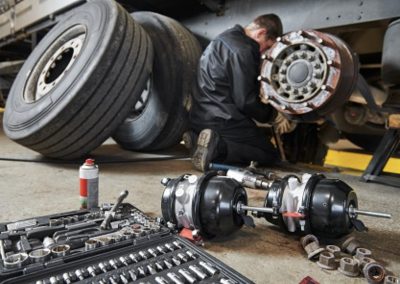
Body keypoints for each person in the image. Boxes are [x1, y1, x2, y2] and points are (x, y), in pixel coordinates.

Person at [187, 14, 283, 172]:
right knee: (270, 154)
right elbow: (245, 101)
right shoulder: (244, 49)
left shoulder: (223, 39)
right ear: (260, 33)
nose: (262, 53)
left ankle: (197, 138)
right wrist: (272, 115)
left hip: (200, 115)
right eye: (266, 47)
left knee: (252, 137)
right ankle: (218, 147)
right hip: (222, 119)